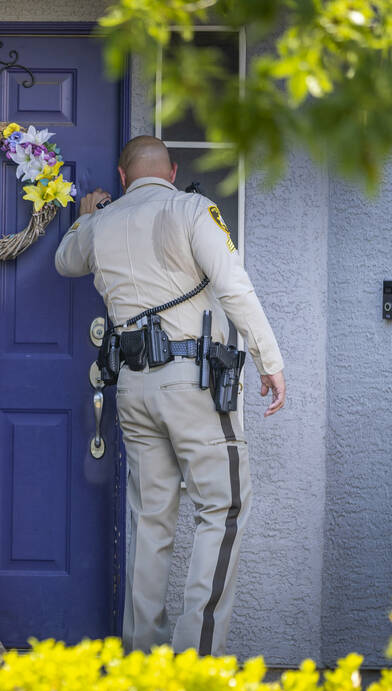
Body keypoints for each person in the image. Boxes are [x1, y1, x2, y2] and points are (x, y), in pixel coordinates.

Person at [55, 135, 286, 656]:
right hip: (192, 384)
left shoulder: (100, 223)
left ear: (122, 177)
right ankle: (194, 665)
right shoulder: (192, 209)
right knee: (222, 509)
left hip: (133, 388)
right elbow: (233, 285)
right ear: (173, 171)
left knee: (151, 522)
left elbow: (65, 260)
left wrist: (85, 212)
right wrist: (269, 361)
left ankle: (142, 662)